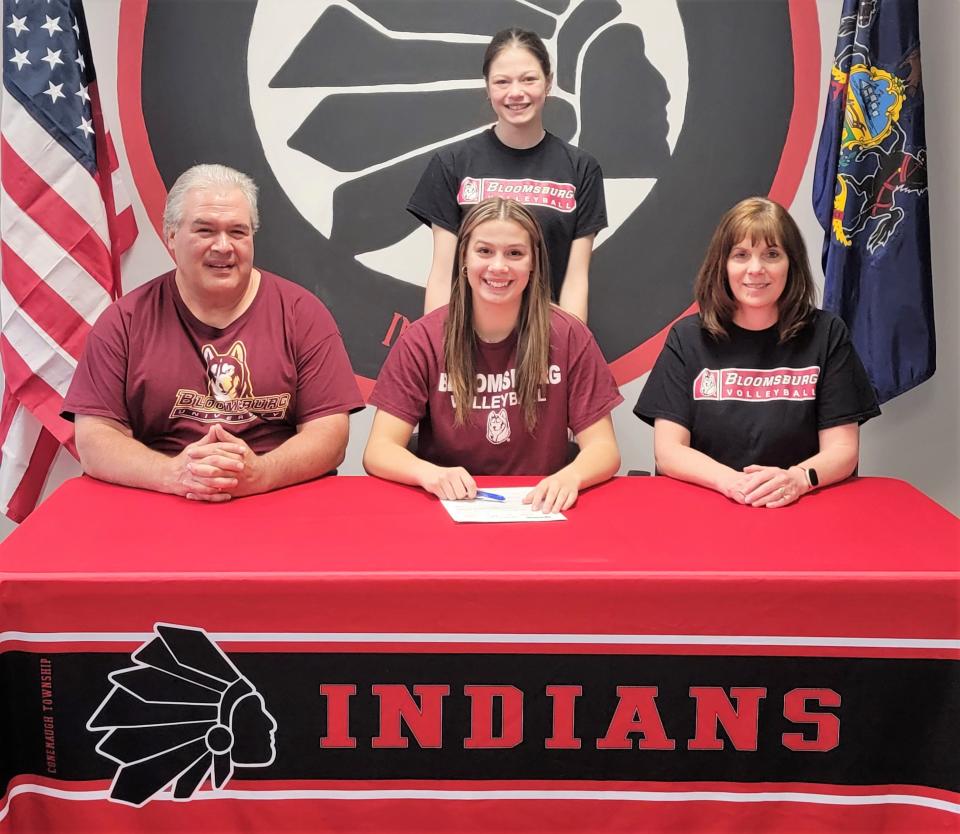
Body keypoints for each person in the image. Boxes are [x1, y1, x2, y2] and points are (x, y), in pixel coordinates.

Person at [63, 164, 364, 502]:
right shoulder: (124, 321)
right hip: (160, 500)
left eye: (238, 232)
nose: (223, 246)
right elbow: (93, 439)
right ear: (171, 236)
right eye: (205, 230)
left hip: (277, 499)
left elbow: (330, 434)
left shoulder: (302, 314)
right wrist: (174, 475)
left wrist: (261, 475)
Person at [363, 197, 621, 514]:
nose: (498, 266)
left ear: (533, 262)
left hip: (538, 508)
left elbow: (604, 448)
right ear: (465, 259)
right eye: (484, 251)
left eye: (514, 253)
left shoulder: (569, 335)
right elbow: (379, 449)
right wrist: (430, 474)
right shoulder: (424, 339)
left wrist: (572, 476)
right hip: (449, 509)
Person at [634, 197, 880, 508]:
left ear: (791, 264)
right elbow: (668, 451)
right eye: (741, 255)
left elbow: (843, 448)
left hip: (798, 506)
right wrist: (732, 482)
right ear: (722, 265)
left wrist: (798, 479)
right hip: (708, 506)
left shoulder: (827, 334)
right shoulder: (687, 338)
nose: (755, 269)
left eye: (771, 254)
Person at [408, 27, 606, 323]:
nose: (516, 93)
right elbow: (441, 275)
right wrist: (440, 352)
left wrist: (566, 354)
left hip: (544, 346)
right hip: (469, 344)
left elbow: (576, 281)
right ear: (488, 89)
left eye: (529, 79)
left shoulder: (581, 169)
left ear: (548, 82)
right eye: (502, 82)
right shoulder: (451, 164)